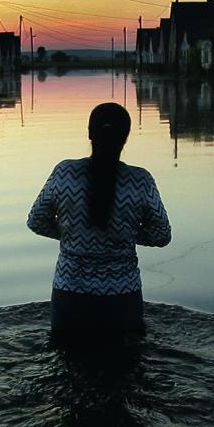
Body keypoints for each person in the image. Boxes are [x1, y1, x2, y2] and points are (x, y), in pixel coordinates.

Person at [27, 102, 171, 348]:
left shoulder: (64, 173)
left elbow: (36, 221)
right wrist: (125, 234)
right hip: (122, 297)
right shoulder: (140, 180)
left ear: (90, 134)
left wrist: (71, 235)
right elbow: (161, 235)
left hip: (70, 293)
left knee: (69, 370)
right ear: (125, 138)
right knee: (124, 374)